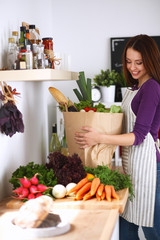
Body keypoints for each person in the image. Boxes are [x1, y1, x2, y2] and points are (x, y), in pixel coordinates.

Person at [74, 34, 160, 240]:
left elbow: (138, 136)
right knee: (126, 225)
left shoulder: (152, 88)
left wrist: (99, 138)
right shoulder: (135, 87)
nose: (133, 67)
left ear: (150, 60)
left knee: (152, 230)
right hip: (132, 167)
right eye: (129, 62)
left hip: (150, 169)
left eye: (139, 62)